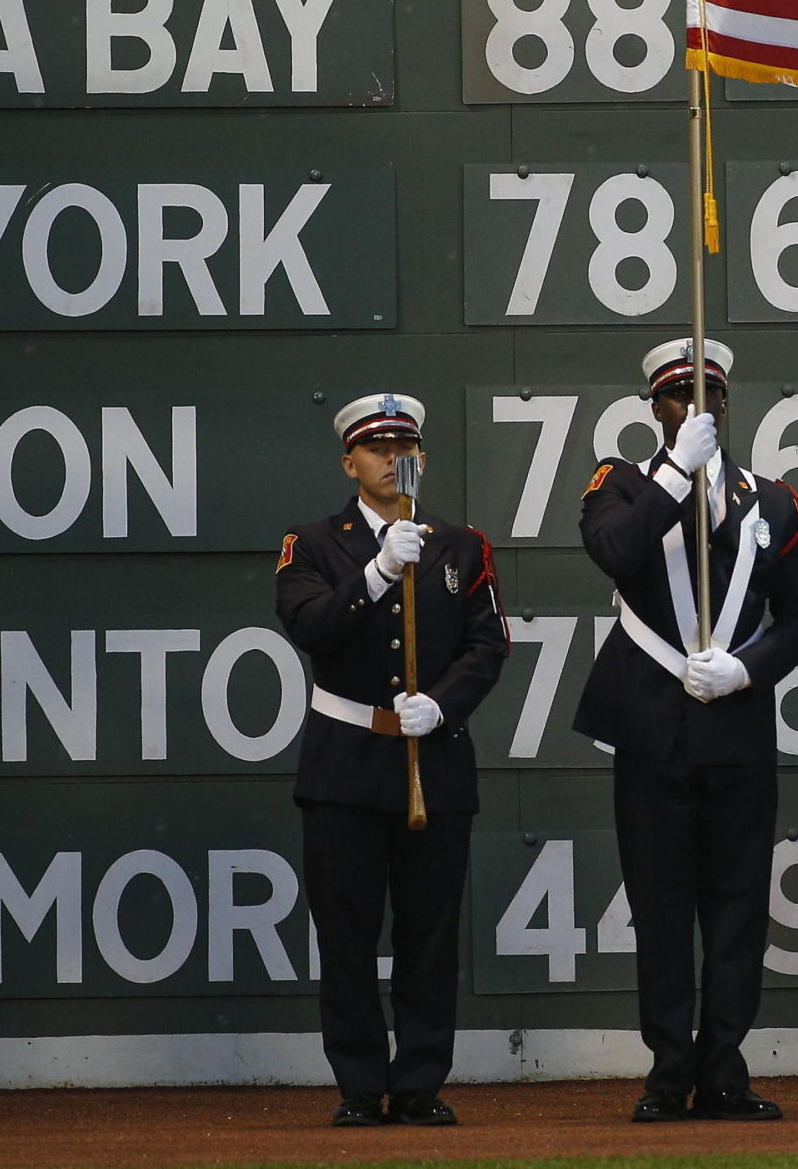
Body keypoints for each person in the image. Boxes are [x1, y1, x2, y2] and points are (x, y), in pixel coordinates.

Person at [575, 337, 798, 1123]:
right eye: (679, 395)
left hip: (738, 730)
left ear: (726, 402)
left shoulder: (773, 502)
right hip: (652, 730)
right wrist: (675, 473)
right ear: (655, 407)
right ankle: (667, 1071)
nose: (697, 407)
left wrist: (746, 671)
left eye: (709, 394)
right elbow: (615, 551)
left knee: (736, 908)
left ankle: (723, 1069)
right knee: (659, 908)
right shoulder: (620, 484)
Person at [274, 393, 508, 1128]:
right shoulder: (313, 544)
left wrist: (443, 704)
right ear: (350, 462)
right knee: (346, 936)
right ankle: (358, 1085)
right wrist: (376, 573)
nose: (391, 458)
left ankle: (418, 1083)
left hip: (434, 761)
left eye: (404, 447)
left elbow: (489, 643)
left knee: (428, 937)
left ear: (421, 458)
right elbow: (310, 625)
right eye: (376, 448)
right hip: (345, 765)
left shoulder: (461, 546)